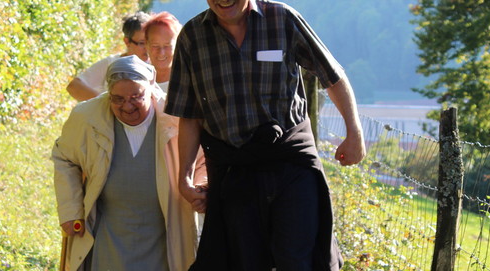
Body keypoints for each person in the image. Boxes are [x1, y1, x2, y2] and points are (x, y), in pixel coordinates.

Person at [164, 0, 366, 270]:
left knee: (296, 261)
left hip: (290, 163)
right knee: (245, 262)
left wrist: (354, 132)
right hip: (235, 171)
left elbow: (332, 75)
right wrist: (184, 178)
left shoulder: (282, 19)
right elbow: (189, 114)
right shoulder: (192, 36)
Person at [52, 55, 206, 271]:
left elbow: (201, 161)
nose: (128, 106)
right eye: (118, 99)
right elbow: (64, 156)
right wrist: (71, 210)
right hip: (109, 234)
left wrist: (199, 187)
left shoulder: (176, 117)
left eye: (136, 96)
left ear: (151, 88)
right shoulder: (87, 117)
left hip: (162, 235)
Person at [66, 12, 151, 102]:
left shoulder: (158, 68)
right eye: (142, 43)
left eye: (151, 42)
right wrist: (108, 105)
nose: (148, 47)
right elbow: (74, 87)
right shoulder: (111, 63)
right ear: (127, 42)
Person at [143, 11, 183, 92]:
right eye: (155, 45)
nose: (161, 53)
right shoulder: (138, 78)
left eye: (167, 46)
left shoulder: (187, 79)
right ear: (146, 44)